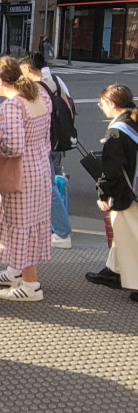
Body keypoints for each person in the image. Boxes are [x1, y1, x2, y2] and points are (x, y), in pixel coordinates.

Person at [0, 55, 52, 301]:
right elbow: (45, 138)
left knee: (19, 226)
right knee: (31, 224)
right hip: (40, 169)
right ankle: (15, 271)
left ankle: (30, 285)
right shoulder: (39, 97)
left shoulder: (12, 105)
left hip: (20, 175)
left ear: (0, 80)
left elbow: (13, 147)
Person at [86, 82, 138, 300]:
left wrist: (103, 194)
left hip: (128, 192)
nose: (101, 107)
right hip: (134, 188)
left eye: (102, 103)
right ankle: (114, 271)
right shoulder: (133, 123)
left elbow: (112, 169)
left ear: (112, 104)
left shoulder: (117, 131)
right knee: (123, 235)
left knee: (132, 237)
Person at [21, 53, 73, 249]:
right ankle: (54, 228)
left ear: (27, 69)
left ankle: (62, 231)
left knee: (46, 188)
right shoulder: (57, 81)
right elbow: (68, 107)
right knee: (47, 186)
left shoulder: (32, 88)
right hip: (56, 140)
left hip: (42, 142)